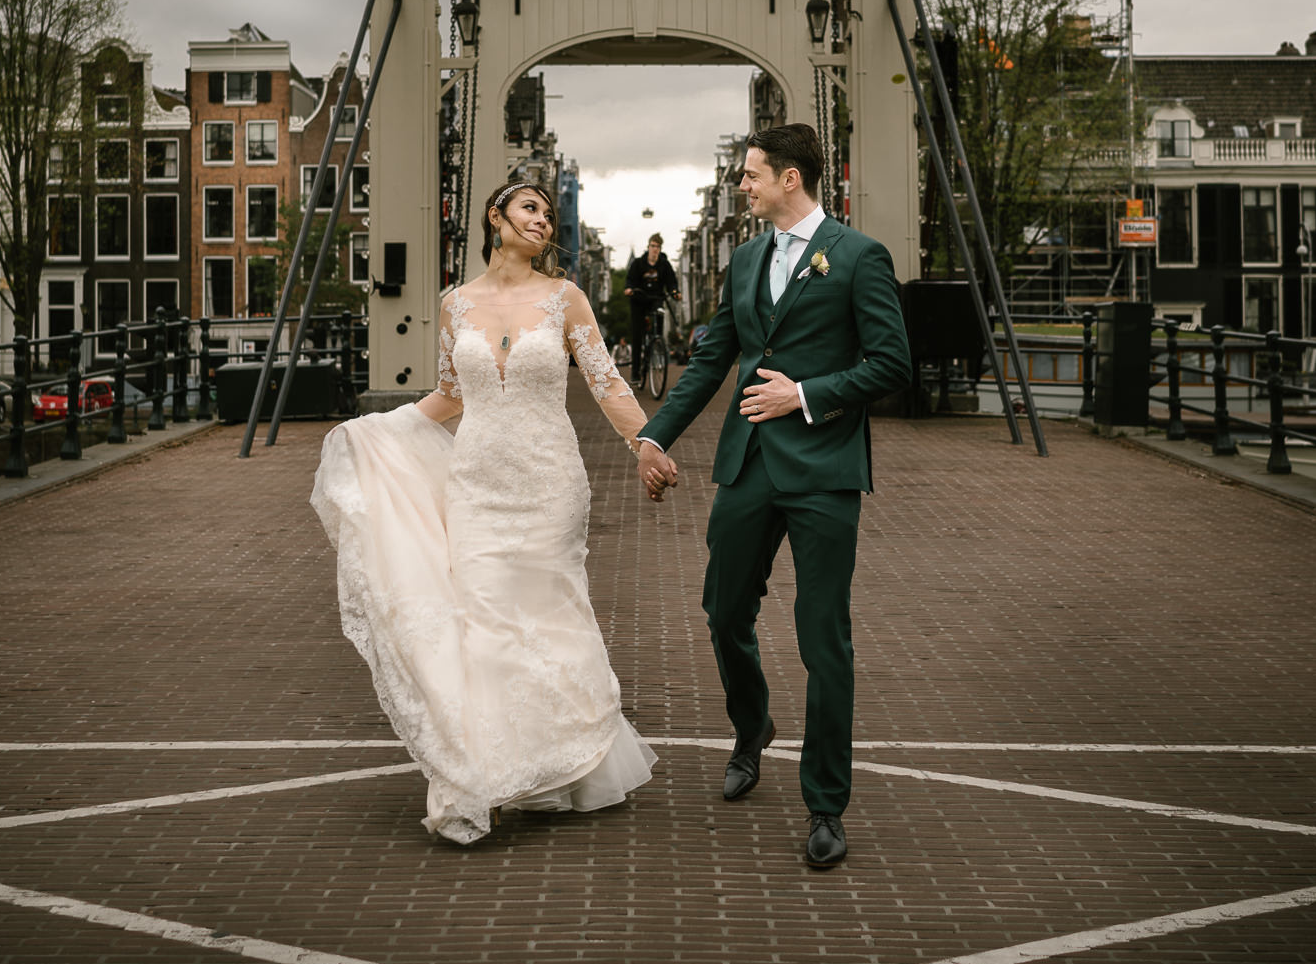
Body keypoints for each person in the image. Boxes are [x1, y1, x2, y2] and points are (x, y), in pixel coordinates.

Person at [310, 180, 657, 845]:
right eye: (529, 207)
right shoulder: (453, 305)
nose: (542, 220)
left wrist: (646, 444)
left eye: (549, 213)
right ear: (494, 218)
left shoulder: (565, 299)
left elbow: (606, 382)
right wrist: (378, 431)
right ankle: (486, 771)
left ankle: (562, 762)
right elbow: (449, 395)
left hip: (548, 481)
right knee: (483, 622)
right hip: (474, 481)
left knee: (549, 615)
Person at [635, 123, 911, 870]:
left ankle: (825, 803)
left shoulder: (859, 257)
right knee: (723, 612)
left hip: (824, 470)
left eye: (751, 175)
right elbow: (712, 359)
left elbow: (892, 362)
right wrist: (655, 436)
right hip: (748, 464)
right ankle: (750, 727)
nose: (742, 186)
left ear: (790, 178)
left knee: (824, 637)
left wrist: (808, 395)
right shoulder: (746, 258)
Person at [624, 232, 681, 374]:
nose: (655, 249)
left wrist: (675, 292)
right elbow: (630, 279)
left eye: (658, 247)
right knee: (637, 335)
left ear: (660, 249)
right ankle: (636, 372)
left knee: (658, 325)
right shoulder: (638, 263)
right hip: (639, 300)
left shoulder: (664, 265)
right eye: (653, 246)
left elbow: (671, 282)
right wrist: (629, 289)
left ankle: (657, 343)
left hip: (656, 299)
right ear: (648, 247)